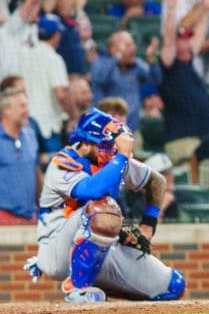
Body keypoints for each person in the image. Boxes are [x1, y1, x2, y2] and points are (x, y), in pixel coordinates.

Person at [28, 109, 183, 303]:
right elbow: (91, 190)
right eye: (104, 145)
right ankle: (77, 289)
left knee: (172, 286)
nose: (110, 150)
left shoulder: (115, 161)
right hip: (57, 249)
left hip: (101, 248)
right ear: (84, 145)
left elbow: (157, 182)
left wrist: (147, 225)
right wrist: (123, 156)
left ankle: (103, 292)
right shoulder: (62, 163)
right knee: (104, 208)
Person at [158, 0, 209, 165]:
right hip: (182, 139)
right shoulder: (170, 65)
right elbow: (168, 38)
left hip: (201, 138)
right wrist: (171, 10)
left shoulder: (189, 64)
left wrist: (205, 10)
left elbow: (200, 35)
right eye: (183, 39)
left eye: (188, 38)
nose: (188, 42)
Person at [0, 85, 40, 224]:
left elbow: (36, 174)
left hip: (29, 218)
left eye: (26, 106)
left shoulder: (30, 135)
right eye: (22, 106)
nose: (27, 111)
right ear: (6, 110)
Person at [90, 31, 162, 132]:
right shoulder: (100, 63)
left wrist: (151, 58)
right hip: (105, 130)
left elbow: (156, 80)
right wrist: (117, 58)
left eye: (133, 44)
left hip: (132, 130)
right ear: (114, 49)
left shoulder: (136, 66)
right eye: (128, 45)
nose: (134, 48)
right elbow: (100, 78)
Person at [17, 14, 70, 153]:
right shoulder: (54, 59)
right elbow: (60, 94)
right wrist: (70, 113)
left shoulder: (24, 55)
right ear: (56, 35)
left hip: (27, 120)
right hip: (49, 125)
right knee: (51, 169)